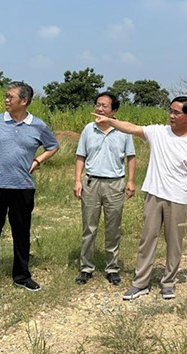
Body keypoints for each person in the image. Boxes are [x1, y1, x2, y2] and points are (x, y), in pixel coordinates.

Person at [91, 97, 187, 301]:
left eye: (176, 113)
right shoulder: (158, 132)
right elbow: (131, 128)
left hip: (177, 198)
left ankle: (168, 283)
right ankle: (140, 283)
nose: (171, 115)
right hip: (153, 194)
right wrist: (110, 121)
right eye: (170, 110)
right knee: (147, 240)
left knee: (174, 243)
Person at [0, 81, 59, 299]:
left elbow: (53, 146)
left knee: (21, 233)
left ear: (24, 101)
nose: (6, 100)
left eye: (10, 97)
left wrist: (37, 161)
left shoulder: (38, 126)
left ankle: (22, 276)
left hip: (23, 187)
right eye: (5, 96)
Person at [74, 92, 136, 286]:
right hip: (91, 183)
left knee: (113, 228)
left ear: (114, 110)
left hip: (115, 184)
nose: (99, 109)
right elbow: (80, 156)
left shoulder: (123, 131)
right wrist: (77, 180)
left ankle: (112, 268)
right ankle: (86, 267)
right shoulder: (88, 129)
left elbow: (131, 157)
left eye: (104, 106)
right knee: (89, 227)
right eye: (98, 105)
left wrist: (131, 180)